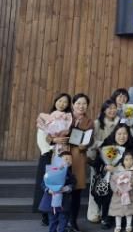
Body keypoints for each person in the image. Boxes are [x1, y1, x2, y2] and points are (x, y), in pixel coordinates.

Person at [33, 93, 72, 227]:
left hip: (62, 155)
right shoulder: (46, 118)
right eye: (60, 101)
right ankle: (45, 214)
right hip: (48, 155)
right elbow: (41, 137)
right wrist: (53, 141)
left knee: (60, 183)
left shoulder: (68, 119)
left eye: (65, 102)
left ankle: (59, 213)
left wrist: (64, 146)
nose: (62, 104)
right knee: (46, 183)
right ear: (55, 101)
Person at [68, 93, 94, 232]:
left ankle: (73, 222)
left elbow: (90, 139)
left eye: (84, 104)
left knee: (76, 192)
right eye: (78, 103)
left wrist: (86, 145)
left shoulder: (89, 122)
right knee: (61, 190)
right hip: (64, 156)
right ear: (73, 105)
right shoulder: (65, 117)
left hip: (78, 157)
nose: (81, 106)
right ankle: (60, 220)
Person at [39, 151, 75, 232]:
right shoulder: (51, 171)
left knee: (64, 219)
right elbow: (43, 184)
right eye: (66, 159)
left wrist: (68, 188)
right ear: (59, 160)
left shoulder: (69, 173)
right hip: (51, 200)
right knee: (52, 220)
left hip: (64, 201)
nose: (68, 161)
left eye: (70, 159)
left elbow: (73, 183)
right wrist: (49, 190)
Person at [109, 151, 133, 232]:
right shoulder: (117, 169)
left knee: (129, 211)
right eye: (126, 159)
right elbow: (112, 181)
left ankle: (128, 225)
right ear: (123, 161)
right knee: (118, 211)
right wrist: (116, 190)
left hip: (130, 194)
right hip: (118, 195)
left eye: (131, 159)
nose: (129, 161)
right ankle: (118, 226)